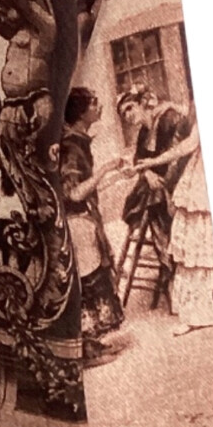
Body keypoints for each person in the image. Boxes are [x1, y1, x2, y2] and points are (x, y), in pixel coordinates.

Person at [125, 103, 213, 335]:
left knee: (189, 225)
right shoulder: (144, 133)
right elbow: (140, 158)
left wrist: (157, 171)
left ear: (144, 103)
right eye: (124, 112)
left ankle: (196, 293)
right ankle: (174, 279)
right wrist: (148, 170)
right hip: (168, 180)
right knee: (158, 206)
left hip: (176, 176)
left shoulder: (168, 119)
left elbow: (182, 148)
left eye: (131, 108)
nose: (129, 116)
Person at [59, 87, 128, 354]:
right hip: (77, 223)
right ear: (80, 112)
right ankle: (86, 345)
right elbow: (75, 193)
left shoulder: (79, 141)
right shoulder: (71, 146)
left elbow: (87, 190)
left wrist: (115, 176)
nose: (99, 107)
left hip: (85, 219)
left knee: (91, 278)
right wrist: (105, 169)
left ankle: (90, 343)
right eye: (94, 103)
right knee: (89, 281)